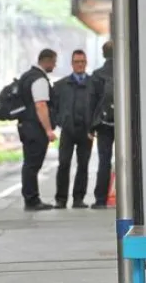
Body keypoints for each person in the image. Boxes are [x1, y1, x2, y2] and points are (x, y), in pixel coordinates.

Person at [52, 49, 97, 209]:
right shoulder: (61, 85)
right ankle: (61, 199)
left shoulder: (94, 83)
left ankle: (78, 199)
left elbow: (99, 105)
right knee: (63, 164)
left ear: (86, 63)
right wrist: (59, 121)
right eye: (77, 62)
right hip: (68, 130)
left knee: (83, 165)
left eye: (82, 62)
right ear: (72, 64)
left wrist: (94, 126)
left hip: (86, 131)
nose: (80, 65)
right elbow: (53, 106)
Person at [17, 48, 58, 211]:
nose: (54, 66)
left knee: (29, 164)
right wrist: (48, 130)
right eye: (54, 62)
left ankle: (31, 197)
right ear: (47, 61)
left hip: (25, 125)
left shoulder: (26, 76)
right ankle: (32, 199)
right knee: (32, 165)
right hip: (35, 128)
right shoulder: (39, 80)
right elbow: (41, 105)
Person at [90, 40, 114, 209]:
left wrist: (91, 126)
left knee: (104, 161)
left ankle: (100, 199)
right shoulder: (126, 71)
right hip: (124, 124)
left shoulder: (97, 74)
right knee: (127, 161)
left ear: (103, 54)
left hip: (104, 124)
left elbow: (92, 102)